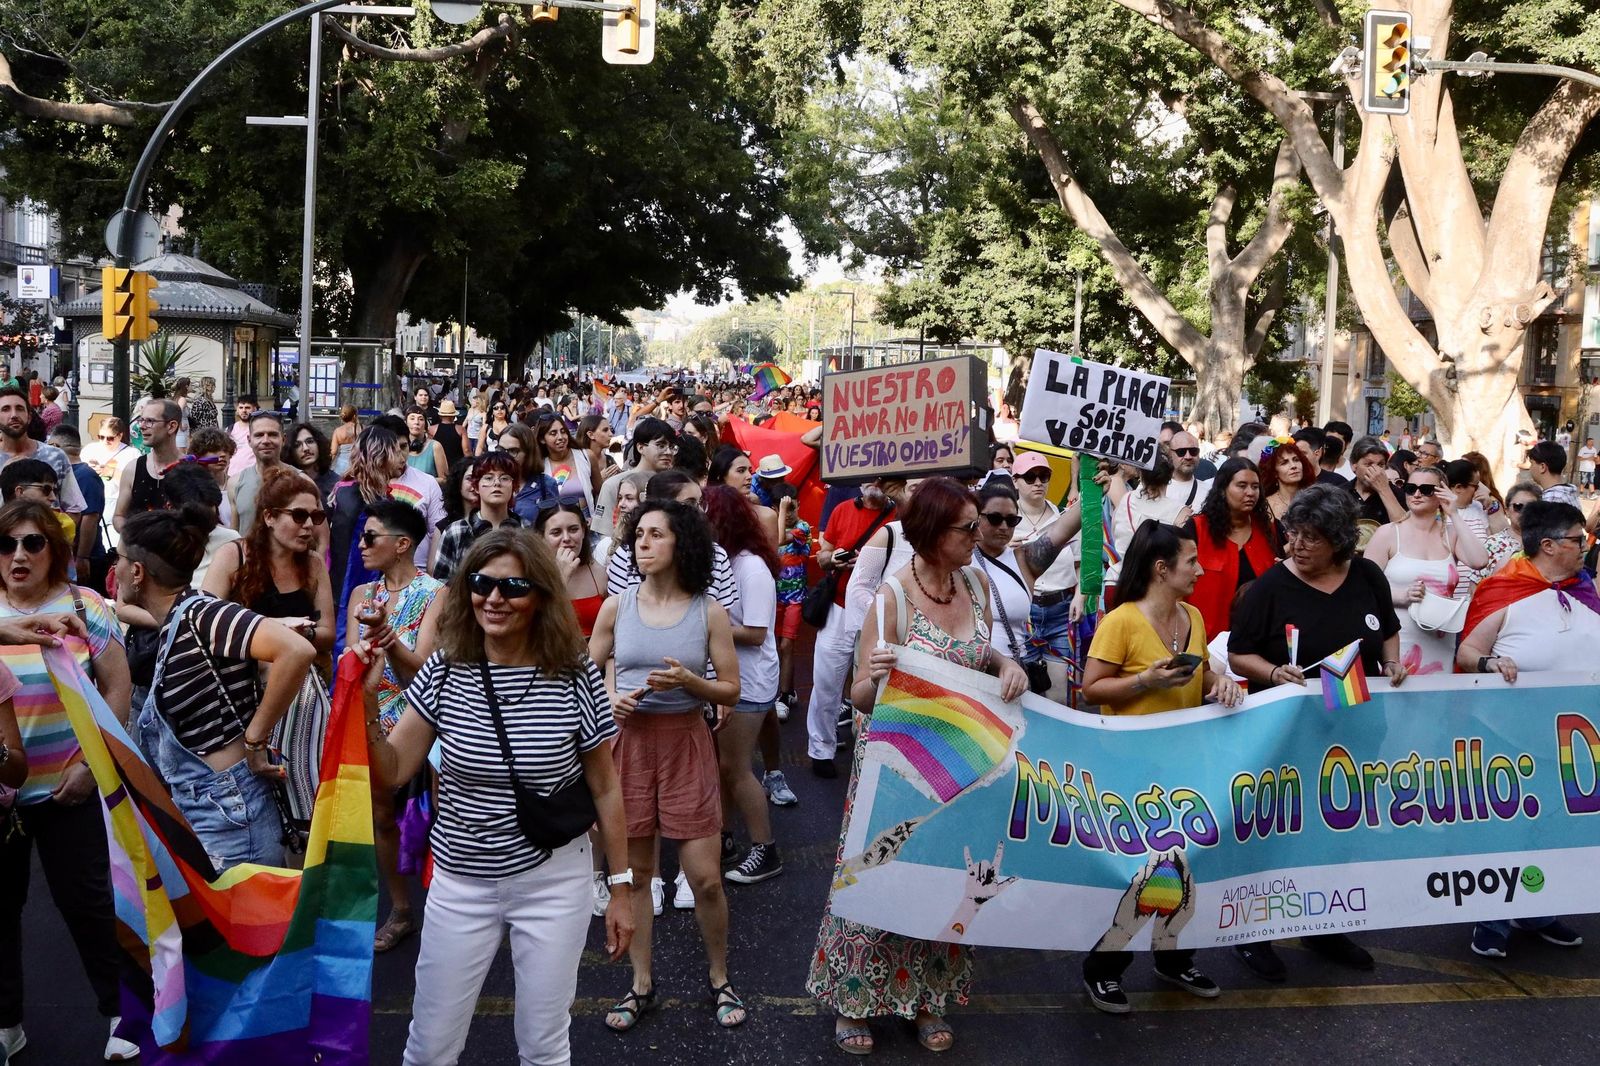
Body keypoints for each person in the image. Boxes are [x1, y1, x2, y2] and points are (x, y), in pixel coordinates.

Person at [359, 528, 631, 1063]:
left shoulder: (574, 673)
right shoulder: (445, 667)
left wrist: (620, 888)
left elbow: (605, 785)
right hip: (461, 883)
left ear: (541, 596)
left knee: (544, 1046)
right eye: (482, 583)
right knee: (430, 1045)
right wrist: (368, 705)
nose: (495, 598)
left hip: (554, 880)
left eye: (513, 587)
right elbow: (393, 771)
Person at [812, 477, 1028, 1055]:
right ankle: (853, 1000)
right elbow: (857, 696)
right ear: (932, 534)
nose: (980, 533)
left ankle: (925, 997)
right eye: (967, 526)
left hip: (963, 766)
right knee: (876, 875)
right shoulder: (892, 599)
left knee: (942, 878)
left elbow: (984, 654)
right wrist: (875, 676)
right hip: (896, 768)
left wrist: (1007, 663)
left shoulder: (979, 584)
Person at [1228, 484, 1406, 981]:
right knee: (1278, 830)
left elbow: (1386, 629)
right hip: (1291, 733)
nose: (1297, 545)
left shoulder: (1367, 575)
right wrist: (1272, 673)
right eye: (1293, 534)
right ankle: (1252, 932)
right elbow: (1239, 653)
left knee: (1336, 828)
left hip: (1355, 728)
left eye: (1311, 537)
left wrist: (1392, 663)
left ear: (1340, 541)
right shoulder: (1270, 588)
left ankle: (1324, 922)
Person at [587, 500, 746, 1033]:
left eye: (656, 535)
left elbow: (730, 687)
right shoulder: (616, 606)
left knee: (704, 879)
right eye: (639, 536)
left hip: (686, 743)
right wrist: (610, 701)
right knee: (636, 877)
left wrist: (690, 684)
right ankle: (641, 985)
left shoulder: (709, 611)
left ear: (682, 544)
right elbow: (587, 676)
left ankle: (719, 977)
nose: (643, 544)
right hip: (627, 747)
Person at [1079, 521, 1241, 1012]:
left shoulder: (1192, 616)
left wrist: (1220, 683)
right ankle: (1103, 968)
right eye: (1191, 561)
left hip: (1187, 765)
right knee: (1135, 874)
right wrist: (1144, 683)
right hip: (1131, 771)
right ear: (1161, 568)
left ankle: (1173, 957)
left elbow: (1200, 672)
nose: (1199, 569)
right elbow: (1092, 688)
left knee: (1190, 866)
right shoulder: (1121, 621)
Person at [0, 500, 133, 1061]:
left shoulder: (85, 606)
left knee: (89, 905)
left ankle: (123, 1011)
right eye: (6, 545)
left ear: (54, 548)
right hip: (2, 800)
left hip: (70, 787)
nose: (18, 555)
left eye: (33, 543)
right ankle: (7, 1023)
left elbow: (118, 687)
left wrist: (91, 766)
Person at [118, 503, 318, 871]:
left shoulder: (202, 614)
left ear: (136, 571)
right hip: (209, 805)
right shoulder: (178, 622)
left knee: (244, 926)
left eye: (118, 559)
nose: (113, 569)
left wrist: (256, 739)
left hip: (229, 807)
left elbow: (297, 650)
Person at [1455, 499, 1592, 959]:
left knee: (1555, 828)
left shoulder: (1586, 588)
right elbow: (1466, 653)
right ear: (1549, 546)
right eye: (1578, 540)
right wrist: (1492, 663)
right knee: (1509, 828)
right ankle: (1492, 917)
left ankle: (1537, 910)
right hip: (1509, 735)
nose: (1585, 546)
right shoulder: (1503, 589)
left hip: (1574, 738)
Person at [202, 465, 336, 828]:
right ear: (270, 517)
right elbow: (204, 622)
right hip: (238, 696)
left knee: (300, 802)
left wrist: (300, 635)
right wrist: (275, 629)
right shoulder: (235, 556)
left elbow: (327, 634)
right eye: (299, 515)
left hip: (298, 701)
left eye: (317, 516)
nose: (310, 525)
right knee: (250, 802)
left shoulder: (311, 565)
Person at [348, 498, 447, 955]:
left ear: (403, 544)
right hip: (374, 715)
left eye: (371, 537)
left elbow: (424, 668)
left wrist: (386, 638)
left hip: (427, 714)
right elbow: (356, 666)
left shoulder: (437, 594)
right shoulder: (361, 596)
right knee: (382, 818)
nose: (362, 545)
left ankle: (448, 906)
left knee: (444, 814)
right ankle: (403, 909)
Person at [701, 484, 785, 885]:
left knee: (735, 768)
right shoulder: (724, 561)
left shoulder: (751, 567)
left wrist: (701, 626)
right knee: (722, 767)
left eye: (707, 515)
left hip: (750, 681)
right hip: (730, 677)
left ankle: (765, 850)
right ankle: (724, 838)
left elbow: (755, 632)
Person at [805, 476, 897, 778]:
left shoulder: (900, 517)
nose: (876, 483)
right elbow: (822, 555)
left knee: (875, 683)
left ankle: (870, 752)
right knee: (827, 680)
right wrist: (835, 559)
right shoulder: (842, 509)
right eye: (871, 477)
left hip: (880, 613)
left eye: (883, 478)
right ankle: (821, 749)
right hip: (840, 607)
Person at [1364, 463, 1489, 675]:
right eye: (1411, 488)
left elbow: (1479, 560)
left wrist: (1455, 514)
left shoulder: (1451, 534)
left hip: (1440, 639)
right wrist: (1401, 596)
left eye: (1426, 489)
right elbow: (1364, 587)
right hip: (1398, 639)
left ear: (1441, 493)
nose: (1417, 494)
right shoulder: (1388, 533)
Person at [971, 478, 1081, 692]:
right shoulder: (958, 557)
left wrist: (1095, 492)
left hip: (1015, 678)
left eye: (1012, 520)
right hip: (970, 674)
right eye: (994, 518)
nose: (1003, 526)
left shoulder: (1024, 560)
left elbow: (1063, 529)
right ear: (976, 517)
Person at [1184, 457, 1278, 644]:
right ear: (1222, 489)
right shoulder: (1197, 528)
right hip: (1204, 642)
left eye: (1255, 487)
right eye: (1242, 486)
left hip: (1259, 640)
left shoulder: (1269, 529)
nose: (1250, 493)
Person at [1105, 451, 1186, 602]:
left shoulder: (1125, 500)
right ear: (1170, 476)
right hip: (1151, 590)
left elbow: (1116, 534)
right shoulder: (1181, 512)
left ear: (1140, 472)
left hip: (1117, 582)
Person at [433, 451, 526, 582]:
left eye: (504, 478)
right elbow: (441, 585)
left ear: (514, 486)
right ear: (476, 486)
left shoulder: (526, 530)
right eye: (488, 478)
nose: (497, 483)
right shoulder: (455, 531)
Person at [0, 388, 86, 518]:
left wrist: (54, 536)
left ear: (29, 417)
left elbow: (74, 508)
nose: (14, 415)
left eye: (19, 408)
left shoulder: (56, 456)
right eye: (5, 409)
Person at [592, 418, 678, 538]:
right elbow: (604, 536)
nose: (668, 452)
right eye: (661, 445)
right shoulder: (613, 485)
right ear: (640, 447)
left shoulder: (674, 485)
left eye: (672, 447)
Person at [537, 501, 606, 638]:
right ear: (541, 537)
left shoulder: (599, 572)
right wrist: (562, 577)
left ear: (583, 531)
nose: (566, 538)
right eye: (556, 533)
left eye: (573, 529)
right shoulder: (533, 575)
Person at [228, 411, 288, 535]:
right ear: (249, 440)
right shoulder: (235, 483)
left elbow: (320, 537)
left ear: (283, 439)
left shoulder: (302, 480)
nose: (266, 440)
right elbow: (234, 535)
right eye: (259, 435)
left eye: (272, 435)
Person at [1347, 435, 1408, 547]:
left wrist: (1384, 489)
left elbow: (1404, 532)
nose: (1376, 471)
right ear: (1354, 466)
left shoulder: (1397, 493)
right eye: (1368, 464)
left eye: (1380, 465)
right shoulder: (1340, 493)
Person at [709, 445, 777, 544]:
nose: (749, 476)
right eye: (741, 471)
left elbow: (771, 557)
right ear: (721, 476)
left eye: (750, 471)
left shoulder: (766, 515)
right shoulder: (705, 512)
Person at [1259, 436, 1316, 537]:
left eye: (1296, 460)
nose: (1293, 466)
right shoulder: (1267, 506)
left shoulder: (1316, 498)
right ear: (1274, 472)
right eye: (1284, 463)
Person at [537, 412, 593, 512]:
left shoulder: (586, 456)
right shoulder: (539, 466)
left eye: (563, 431)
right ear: (542, 439)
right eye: (553, 433)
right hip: (555, 521)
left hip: (588, 520)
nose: (560, 437)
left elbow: (601, 494)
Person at [286, 421, 339, 501]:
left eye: (310, 441)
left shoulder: (336, 483)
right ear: (290, 451)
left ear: (318, 444)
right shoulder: (286, 484)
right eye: (297, 445)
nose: (306, 448)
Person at [1165, 430, 1212, 508]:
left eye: (1193, 451)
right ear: (1170, 454)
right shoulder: (1155, 490)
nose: (1188, 457)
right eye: (1181, 452)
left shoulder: (1209, 492)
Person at [405, 406, 449, 488]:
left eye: (421, 419)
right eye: (412, 418)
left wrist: (420, 481)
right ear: (406, 423)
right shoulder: (399, 447)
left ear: (425, 426)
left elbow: (445, 480)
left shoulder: (435, 446)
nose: (416, 422)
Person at [1525, 440, 1578, 506]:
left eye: (1532, 463)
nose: (1530, 468)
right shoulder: (1569, 492)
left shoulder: (1551, 500)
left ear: (1542, 467)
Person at [227, 395, 259, 477]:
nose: (244, 410)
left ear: (255, 409)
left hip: (252, 476)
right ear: (237, 410)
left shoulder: (259, 429)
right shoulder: (230, 429)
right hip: (232, 475)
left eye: (247, 408)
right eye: (241, 407)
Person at [433, 399, 466, 471]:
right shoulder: (461, 429)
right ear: (454, 416)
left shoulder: (432, 430)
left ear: (440, 416)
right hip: (457, 467)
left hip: (438, 466)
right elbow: (466, 451)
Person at [330, 405, 360, 477]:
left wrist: (329, 464)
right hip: (358, 462)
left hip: (342, 464)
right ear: (354, 416)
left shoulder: (338, 431)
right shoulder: (361, 429)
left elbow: (333, 451)